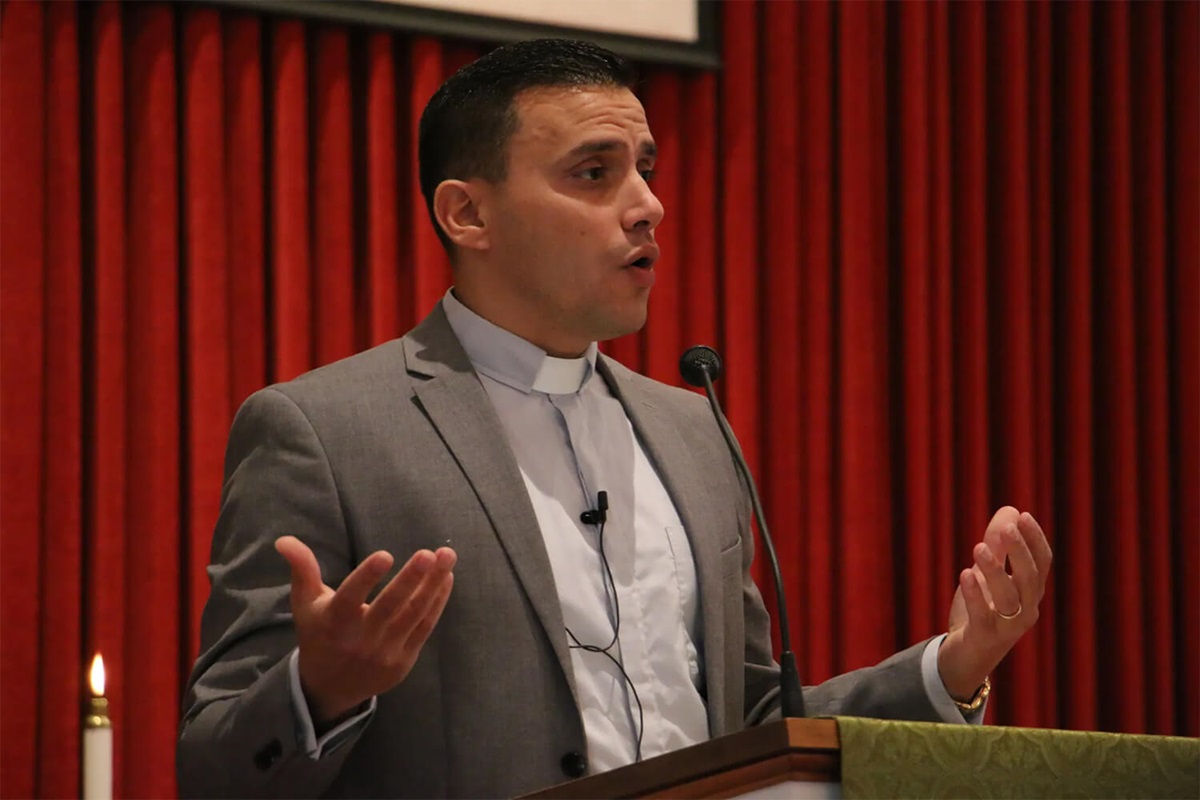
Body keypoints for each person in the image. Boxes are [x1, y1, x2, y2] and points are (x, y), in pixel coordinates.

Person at [176, 38, 1052, 798]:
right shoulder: (323, 432)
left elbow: (747, 729)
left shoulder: (692, 430)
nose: (647, 204)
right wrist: (318, 691)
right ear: (466, 212)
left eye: (646, 169)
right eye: (595, 173)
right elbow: (216, 770)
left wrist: (952, 667)